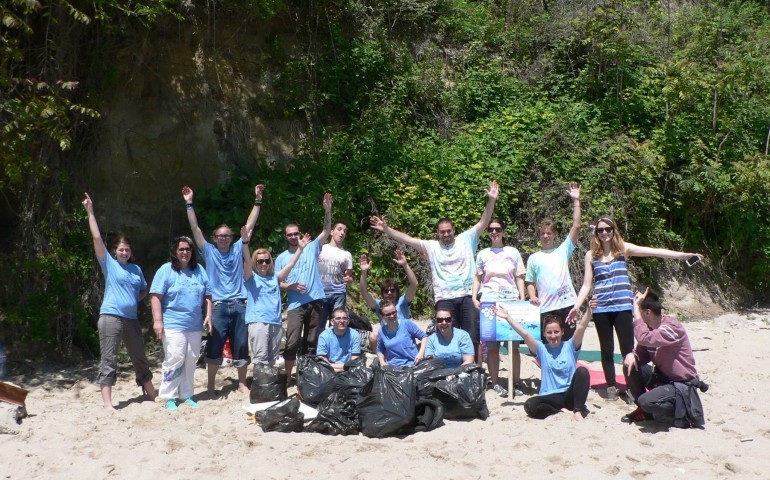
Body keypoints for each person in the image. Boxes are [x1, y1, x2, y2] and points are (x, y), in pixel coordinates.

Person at [571, 216, 703, 401]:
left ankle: (631, 385)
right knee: (606, 348)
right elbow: (586, 285)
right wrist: (577, 307)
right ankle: (610, 386)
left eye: (608, 229)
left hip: (623, 305)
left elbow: (655, 252)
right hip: (601, 307)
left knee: (628, 349)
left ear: (613, 230)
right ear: (596, 233)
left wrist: (684, 255)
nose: (604, 233)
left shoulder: (623, 249)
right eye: (600, 230)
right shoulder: (591, 255)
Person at [370, 180, 499, 360]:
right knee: (446, 335)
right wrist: (387, 229)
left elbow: (483, 222)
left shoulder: (466, 239)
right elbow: (407, 239)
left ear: (454, 230)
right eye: (442, 232)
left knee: (472, 336)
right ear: (437, 233)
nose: (446, 234)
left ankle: (474, 372)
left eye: (448, 231)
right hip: (444, 297)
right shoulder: (431, 246)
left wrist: (491, 200)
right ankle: (450, 370)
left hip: (468, 295)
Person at [182, 184, 263, 395]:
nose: (224, 238)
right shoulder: (208, 251)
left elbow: (250, 225)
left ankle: (242, 383)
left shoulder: (238, 248)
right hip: (217, 305)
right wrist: (189, 203)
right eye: (220, 236)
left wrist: (258, 200)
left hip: (239, 303)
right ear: (214, 238)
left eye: (227, 235)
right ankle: (210, 385)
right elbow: (195, 230)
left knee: (241, 345)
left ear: (231, 237)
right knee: (214, 345)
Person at [82, 193, 157, 410]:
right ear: (115, 251)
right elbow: (97, 238)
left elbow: (143, 290)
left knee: (139, 358)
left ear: (131, 251)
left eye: (127, 249)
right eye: (120, 249)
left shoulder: (136, 269)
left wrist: (134, 300)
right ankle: (108, 404)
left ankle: (151, 394)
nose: (124, 252)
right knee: (109, 359)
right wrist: (90, 211)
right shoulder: (110, 264)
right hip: (111, 317)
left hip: (131, 319)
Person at [494, 299, 596, 421]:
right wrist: (507, 317)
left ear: (563, 332)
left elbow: (581, 328)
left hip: (569, 394)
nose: (553, 336)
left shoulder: (570, 346)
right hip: (550, 397)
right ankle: (559, 411)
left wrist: (590, 310)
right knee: (530, 405)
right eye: (549, 332)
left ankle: (577, 411)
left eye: (556, 332)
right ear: (544, 334)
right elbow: (524, 333)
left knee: (583, 372)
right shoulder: (541, 349)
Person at [622, 288, 706, 428]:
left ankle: (683, 410)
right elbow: (641, 353)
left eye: (639, 313)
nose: (636, 317)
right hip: (662, 379)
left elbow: (645, 338)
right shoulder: (649, 328)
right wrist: (632, 355)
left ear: (647, 312)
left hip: (681, 384)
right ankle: (645, 412)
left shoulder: (672, 327)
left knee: (645, 401)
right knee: (630, 366)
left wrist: (636, 309)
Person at [276, 192, 333, 384]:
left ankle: (307, 375)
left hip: (315, 299)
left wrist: (327, 210)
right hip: (295, 305)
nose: (293, 236)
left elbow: (326, 231)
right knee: (292, 341)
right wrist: (290, 285)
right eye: (290, 234)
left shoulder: (311, 247)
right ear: (285, 237)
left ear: (300, 234)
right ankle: (289, 376)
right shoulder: (282, 257)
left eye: (296, 233)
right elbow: (276, 283)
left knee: (312, 340)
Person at [151, 236, 212, 411]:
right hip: (172, 323)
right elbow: (155, 296)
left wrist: (208, 316)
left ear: (192, 252)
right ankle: (170, 395)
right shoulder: (166, 270)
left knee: (191, 360)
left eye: (188, 249)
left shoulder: (199, 270)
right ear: (175, 252)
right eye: (181, 249)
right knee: (174, 358)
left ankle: (187, 394)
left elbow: (208, 296)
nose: (184, 252)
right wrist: (157, 321)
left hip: (194, 325)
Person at [241, 226, 310, 368]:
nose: (264, 264)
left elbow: (290, 264)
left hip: (275, 322)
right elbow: (247, 261)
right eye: (260, 261)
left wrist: (300, 249)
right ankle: (260, 388)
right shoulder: (250, 278)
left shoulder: (275, 277)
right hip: (258, 322)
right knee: (260, 359)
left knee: (272, 359)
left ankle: (269, 388)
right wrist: (245, 243)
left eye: (266, 261)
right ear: (256, 263)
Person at [472, 218, 526, 397]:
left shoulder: (513, 252)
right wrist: (474, 297)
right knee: (492, 346)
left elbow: (519, 276)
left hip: (510, 301)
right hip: (488, 302)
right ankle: (495, 383)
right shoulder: (482, 254)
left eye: (498, 229)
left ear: (503, 231)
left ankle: (516, 382)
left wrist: (522, 298)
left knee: (514, 346)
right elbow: (478, 278)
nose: (494, 232)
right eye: (491, 229)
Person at [525, 182, 582, 343]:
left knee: (569, 344)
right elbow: (530, 281)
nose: (545, 236)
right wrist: (532, 295)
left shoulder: (563, 250)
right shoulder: (534, 258)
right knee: (548, 346)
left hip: (567, 305)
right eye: (543, 233)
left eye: (549, 233)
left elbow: (576, 226)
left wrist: (576, 201)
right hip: (546, 308)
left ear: (554, 234)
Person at [360, 248, 418, 351]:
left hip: (403, 337)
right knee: (373, 337)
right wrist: (364, 273)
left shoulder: (402, 302)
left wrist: (405, 265)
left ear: (397, 292)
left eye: (392, 290)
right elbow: (364, 293)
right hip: (387, 338)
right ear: (382, 293)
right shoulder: (379, 305)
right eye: (386, 291)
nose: (390, 293)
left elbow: (414, 284)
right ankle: (379, 356)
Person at [318, 221, 354, 327]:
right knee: (319, 325)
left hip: (338, 294)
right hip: (320, 292)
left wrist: (350, 280)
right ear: (331, 232)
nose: (342, 233)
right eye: (339, 229)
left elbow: (349, 277)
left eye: (344, 231)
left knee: (337, 324)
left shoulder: (347, 254)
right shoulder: (320, 249)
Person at [376, 301, 427, 367]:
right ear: (383, 316)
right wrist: (382, 362)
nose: (392, 316)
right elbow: (380, 349)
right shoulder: (382, 331)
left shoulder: (406, 324)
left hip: (412, 364)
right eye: (388, 314)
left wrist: (421, 353)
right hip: (393, 367)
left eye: (393, 312)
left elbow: (424, 337)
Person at [317, 308, 362, 373]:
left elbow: (355, 360)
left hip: (349, 369)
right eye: (338, 318)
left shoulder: (354, 334)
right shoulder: (324, 336)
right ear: (332, 322)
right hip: (329, 369)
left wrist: (345, 367)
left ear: (348, 321)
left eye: (344, 318)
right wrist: (343, 367)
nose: (342, 321)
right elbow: (322, 359)